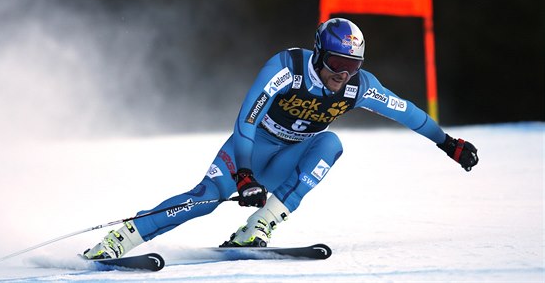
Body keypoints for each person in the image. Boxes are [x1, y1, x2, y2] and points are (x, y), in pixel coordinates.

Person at [83, 17, 479, 259]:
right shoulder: (286, 68)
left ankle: (259, 226)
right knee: (205, 200)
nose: (343, 74)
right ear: (320, 54)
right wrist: (244, 175)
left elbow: (407, 112)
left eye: (353, 66)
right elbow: (245, 123)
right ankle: (123, 236)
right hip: (253, 147)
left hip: (292, 154)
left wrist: (448, 143)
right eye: (338, 64)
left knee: (331, 144)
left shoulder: (359, 86)